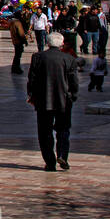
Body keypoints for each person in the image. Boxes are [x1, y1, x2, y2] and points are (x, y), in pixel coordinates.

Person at [27, 32, 78, 171]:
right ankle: (62, 155)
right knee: (63, 129)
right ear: (62, 44)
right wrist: (73, 97)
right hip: (64, 101)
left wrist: (31, 95)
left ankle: (50, 161)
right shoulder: (69, 59)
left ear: (48, 43)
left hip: (43, 100)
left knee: (45, 132)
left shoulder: (38, 57)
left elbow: (32, 79)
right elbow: (74, 83)